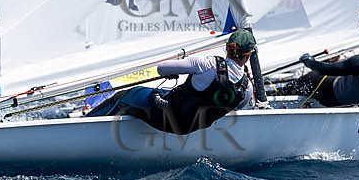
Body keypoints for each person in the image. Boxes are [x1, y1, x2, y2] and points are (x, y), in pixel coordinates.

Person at [91, 29, 262, 134]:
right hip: (188, 129)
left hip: (164, 116)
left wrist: (177, 70)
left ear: (228, 47)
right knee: (171, 96)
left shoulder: (207, 63)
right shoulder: (246, 89)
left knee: (125, 96)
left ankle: (86, 124)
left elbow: (162, 68)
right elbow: (232, 106)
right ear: (249, 55)